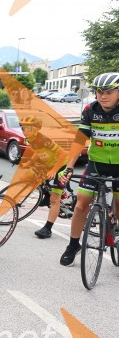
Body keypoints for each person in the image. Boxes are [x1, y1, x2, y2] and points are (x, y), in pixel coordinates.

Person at [57, 72, 119, 265]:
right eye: (99, 91)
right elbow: (79, 141)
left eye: (109, 91)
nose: (103, 96)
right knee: (81, 203)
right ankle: (73, 244)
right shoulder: (90, 110)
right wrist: (68, 168)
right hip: (96, 164)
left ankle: (115, 228)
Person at [12, 115, 65, 239]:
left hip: (62, 165)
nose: (25, 131)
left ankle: (47, 228)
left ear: (36, 129)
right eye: (23, 128)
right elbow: (38, 151)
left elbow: (62, 154)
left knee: (55, 198)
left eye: (29, 128)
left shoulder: (44, 139)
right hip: (48, 163)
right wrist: (29, 163)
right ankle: (46, 194)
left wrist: (54, 170)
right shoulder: (32, 138)